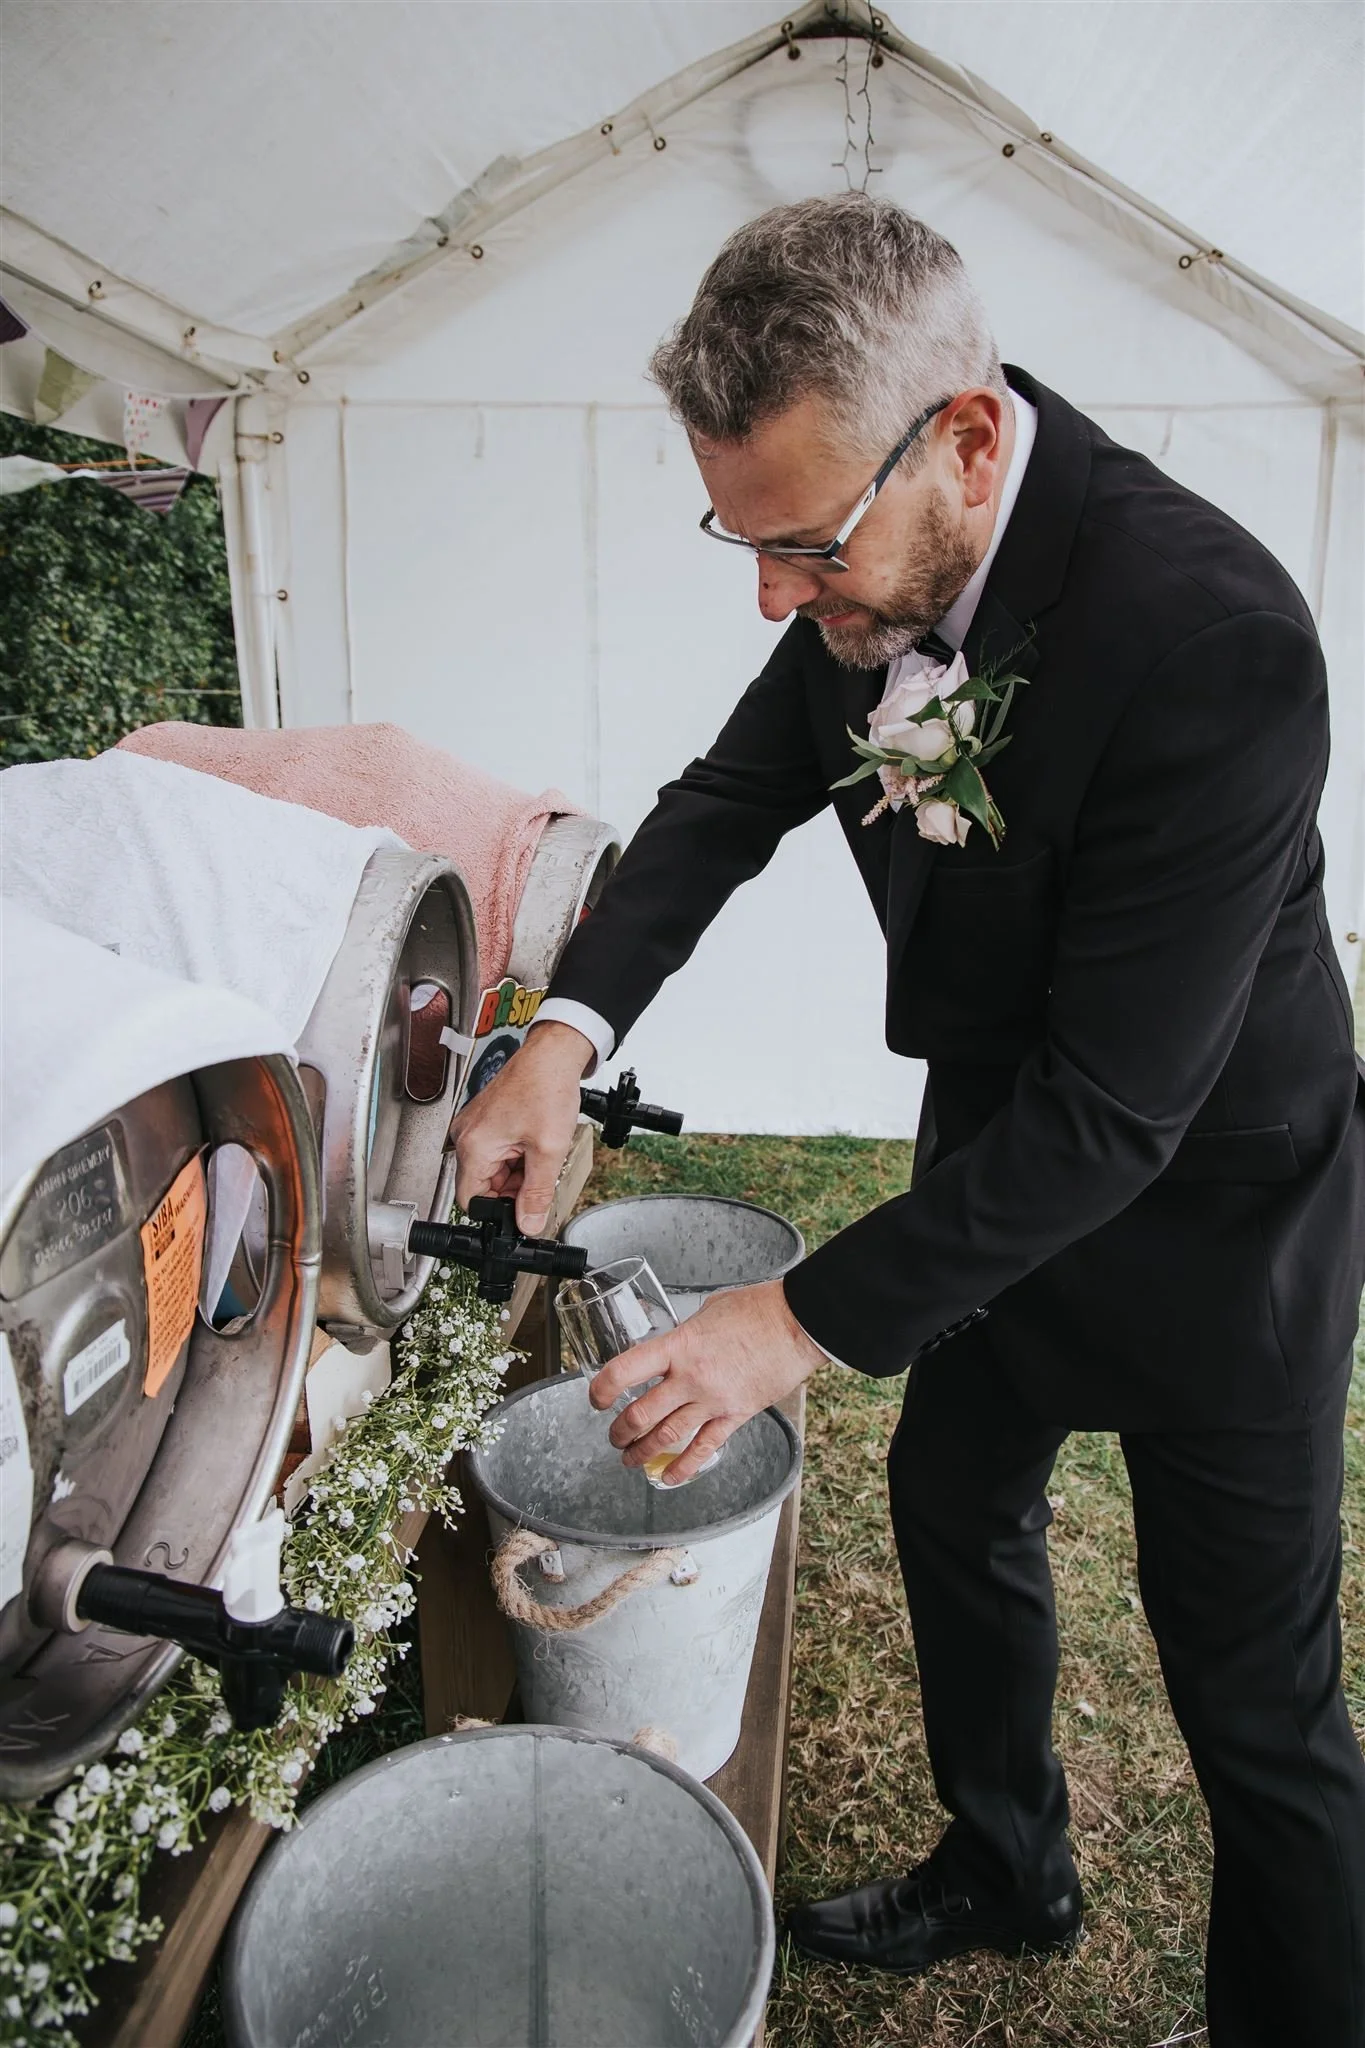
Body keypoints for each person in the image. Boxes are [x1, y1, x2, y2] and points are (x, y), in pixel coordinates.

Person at [452, 195, 1365, 2045]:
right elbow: (720, 804)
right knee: (954, 1507)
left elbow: (1119, 1108)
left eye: (801, 546)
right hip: (995, 1198)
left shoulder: (1221, 639)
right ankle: (1005, 1861)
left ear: (961, 433)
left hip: (1219, 1228)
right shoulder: (879, 555)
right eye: (744, 539)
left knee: (1257, 1710)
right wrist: (558, 1033)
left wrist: (780, 1327)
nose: (778, 601)